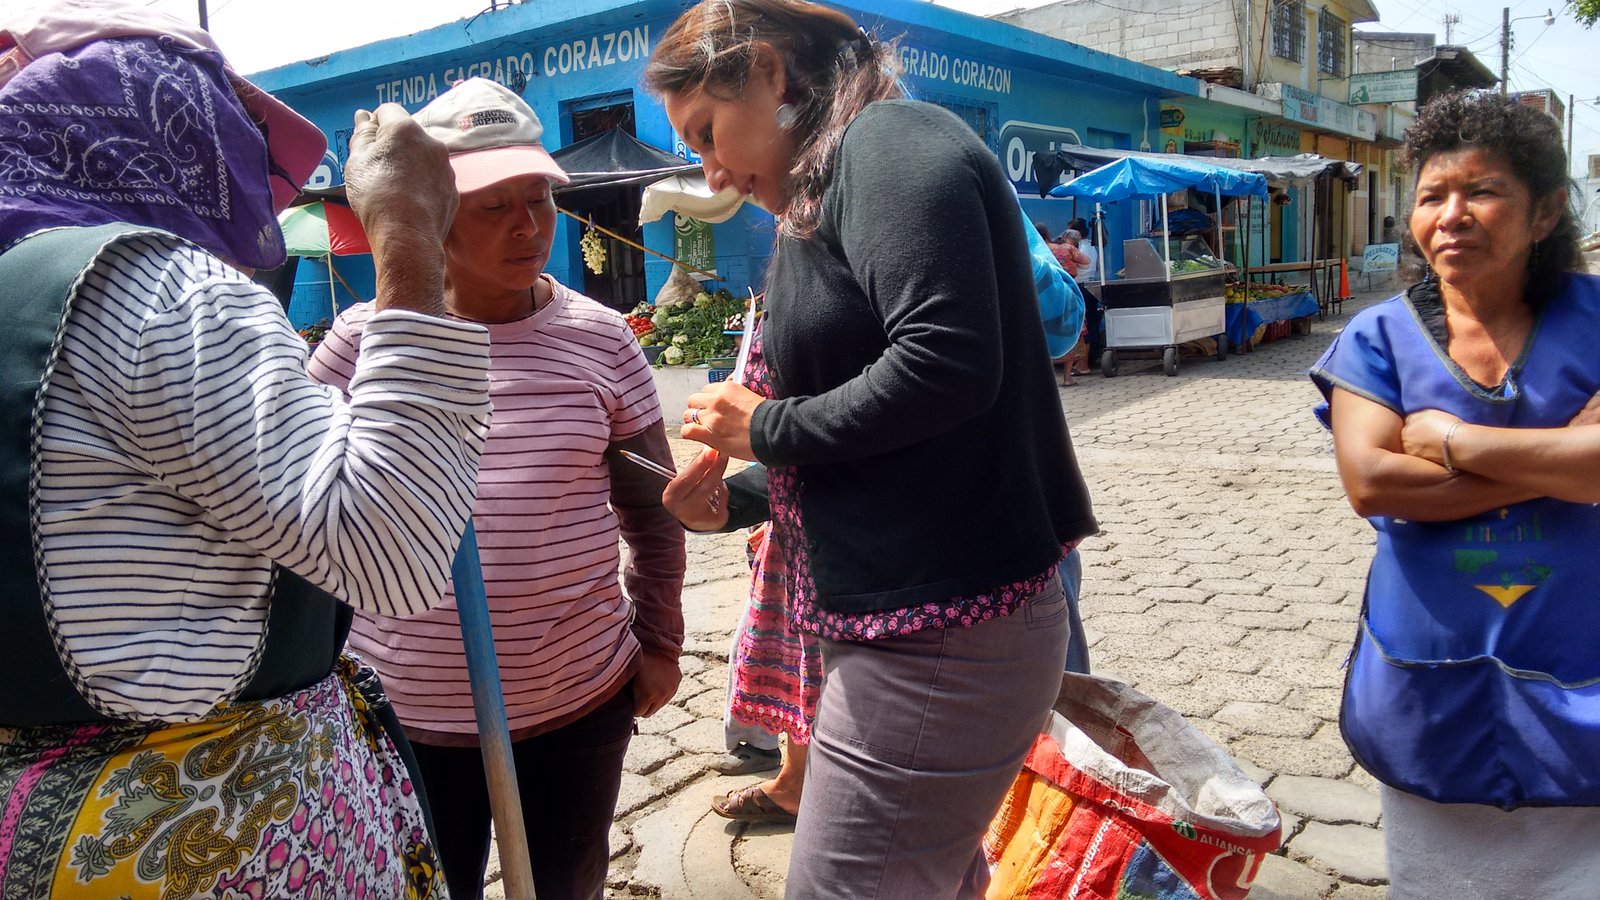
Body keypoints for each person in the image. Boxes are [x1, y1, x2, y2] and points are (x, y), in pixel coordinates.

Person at [0, 2, 490, 897]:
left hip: (47, 826)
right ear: (174, 135)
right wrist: (411, 236)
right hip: (212, 824)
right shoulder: (152, 288)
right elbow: (395, 548)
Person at [646, 2, 1097, 897]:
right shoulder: (822, 193)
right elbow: (872, 416)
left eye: (708, 132)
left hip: (944, 633)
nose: (712, 168)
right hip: (907, 628)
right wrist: (738, 492)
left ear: (771, 73)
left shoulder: (890, 144)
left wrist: (763, 425)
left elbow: (945, 361)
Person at [308, 78, 686, 900]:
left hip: (580, 699)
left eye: (539, 201)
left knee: (565, 884)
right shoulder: (358, 347)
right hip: (406, 717)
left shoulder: (602, 340)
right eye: (492, 206)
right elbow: (308, 533)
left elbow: (652, 513)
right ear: (434, 209)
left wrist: (659, 640)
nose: (528, 226)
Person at [1309, 91, 1598, 898]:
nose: (1453, 214)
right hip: (1433, 682)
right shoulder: (1377, 340)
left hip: (1582, 671)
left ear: (1543, 214)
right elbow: (1371, 482)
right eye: (1433, 195)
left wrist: (1450, 441)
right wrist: (1562, 459)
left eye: (1483, 191)